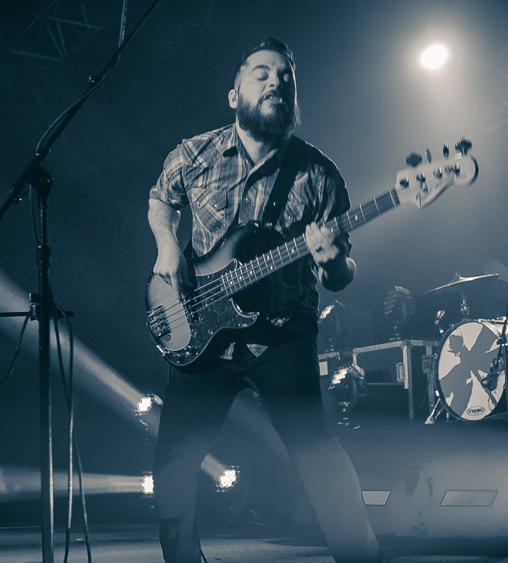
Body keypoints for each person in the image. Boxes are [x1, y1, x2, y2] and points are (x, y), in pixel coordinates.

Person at [147, 39, 382, 563]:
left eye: (285, 76)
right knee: (174, 467)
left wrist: (329, 263)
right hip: (200, 326)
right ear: (235, 95)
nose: (276, 81)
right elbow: (162, 197)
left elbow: (342, 275)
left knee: (317, 453)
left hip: (282, 330)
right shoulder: (196, 152)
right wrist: (168, 244)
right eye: (262, 74)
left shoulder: (319, 174)